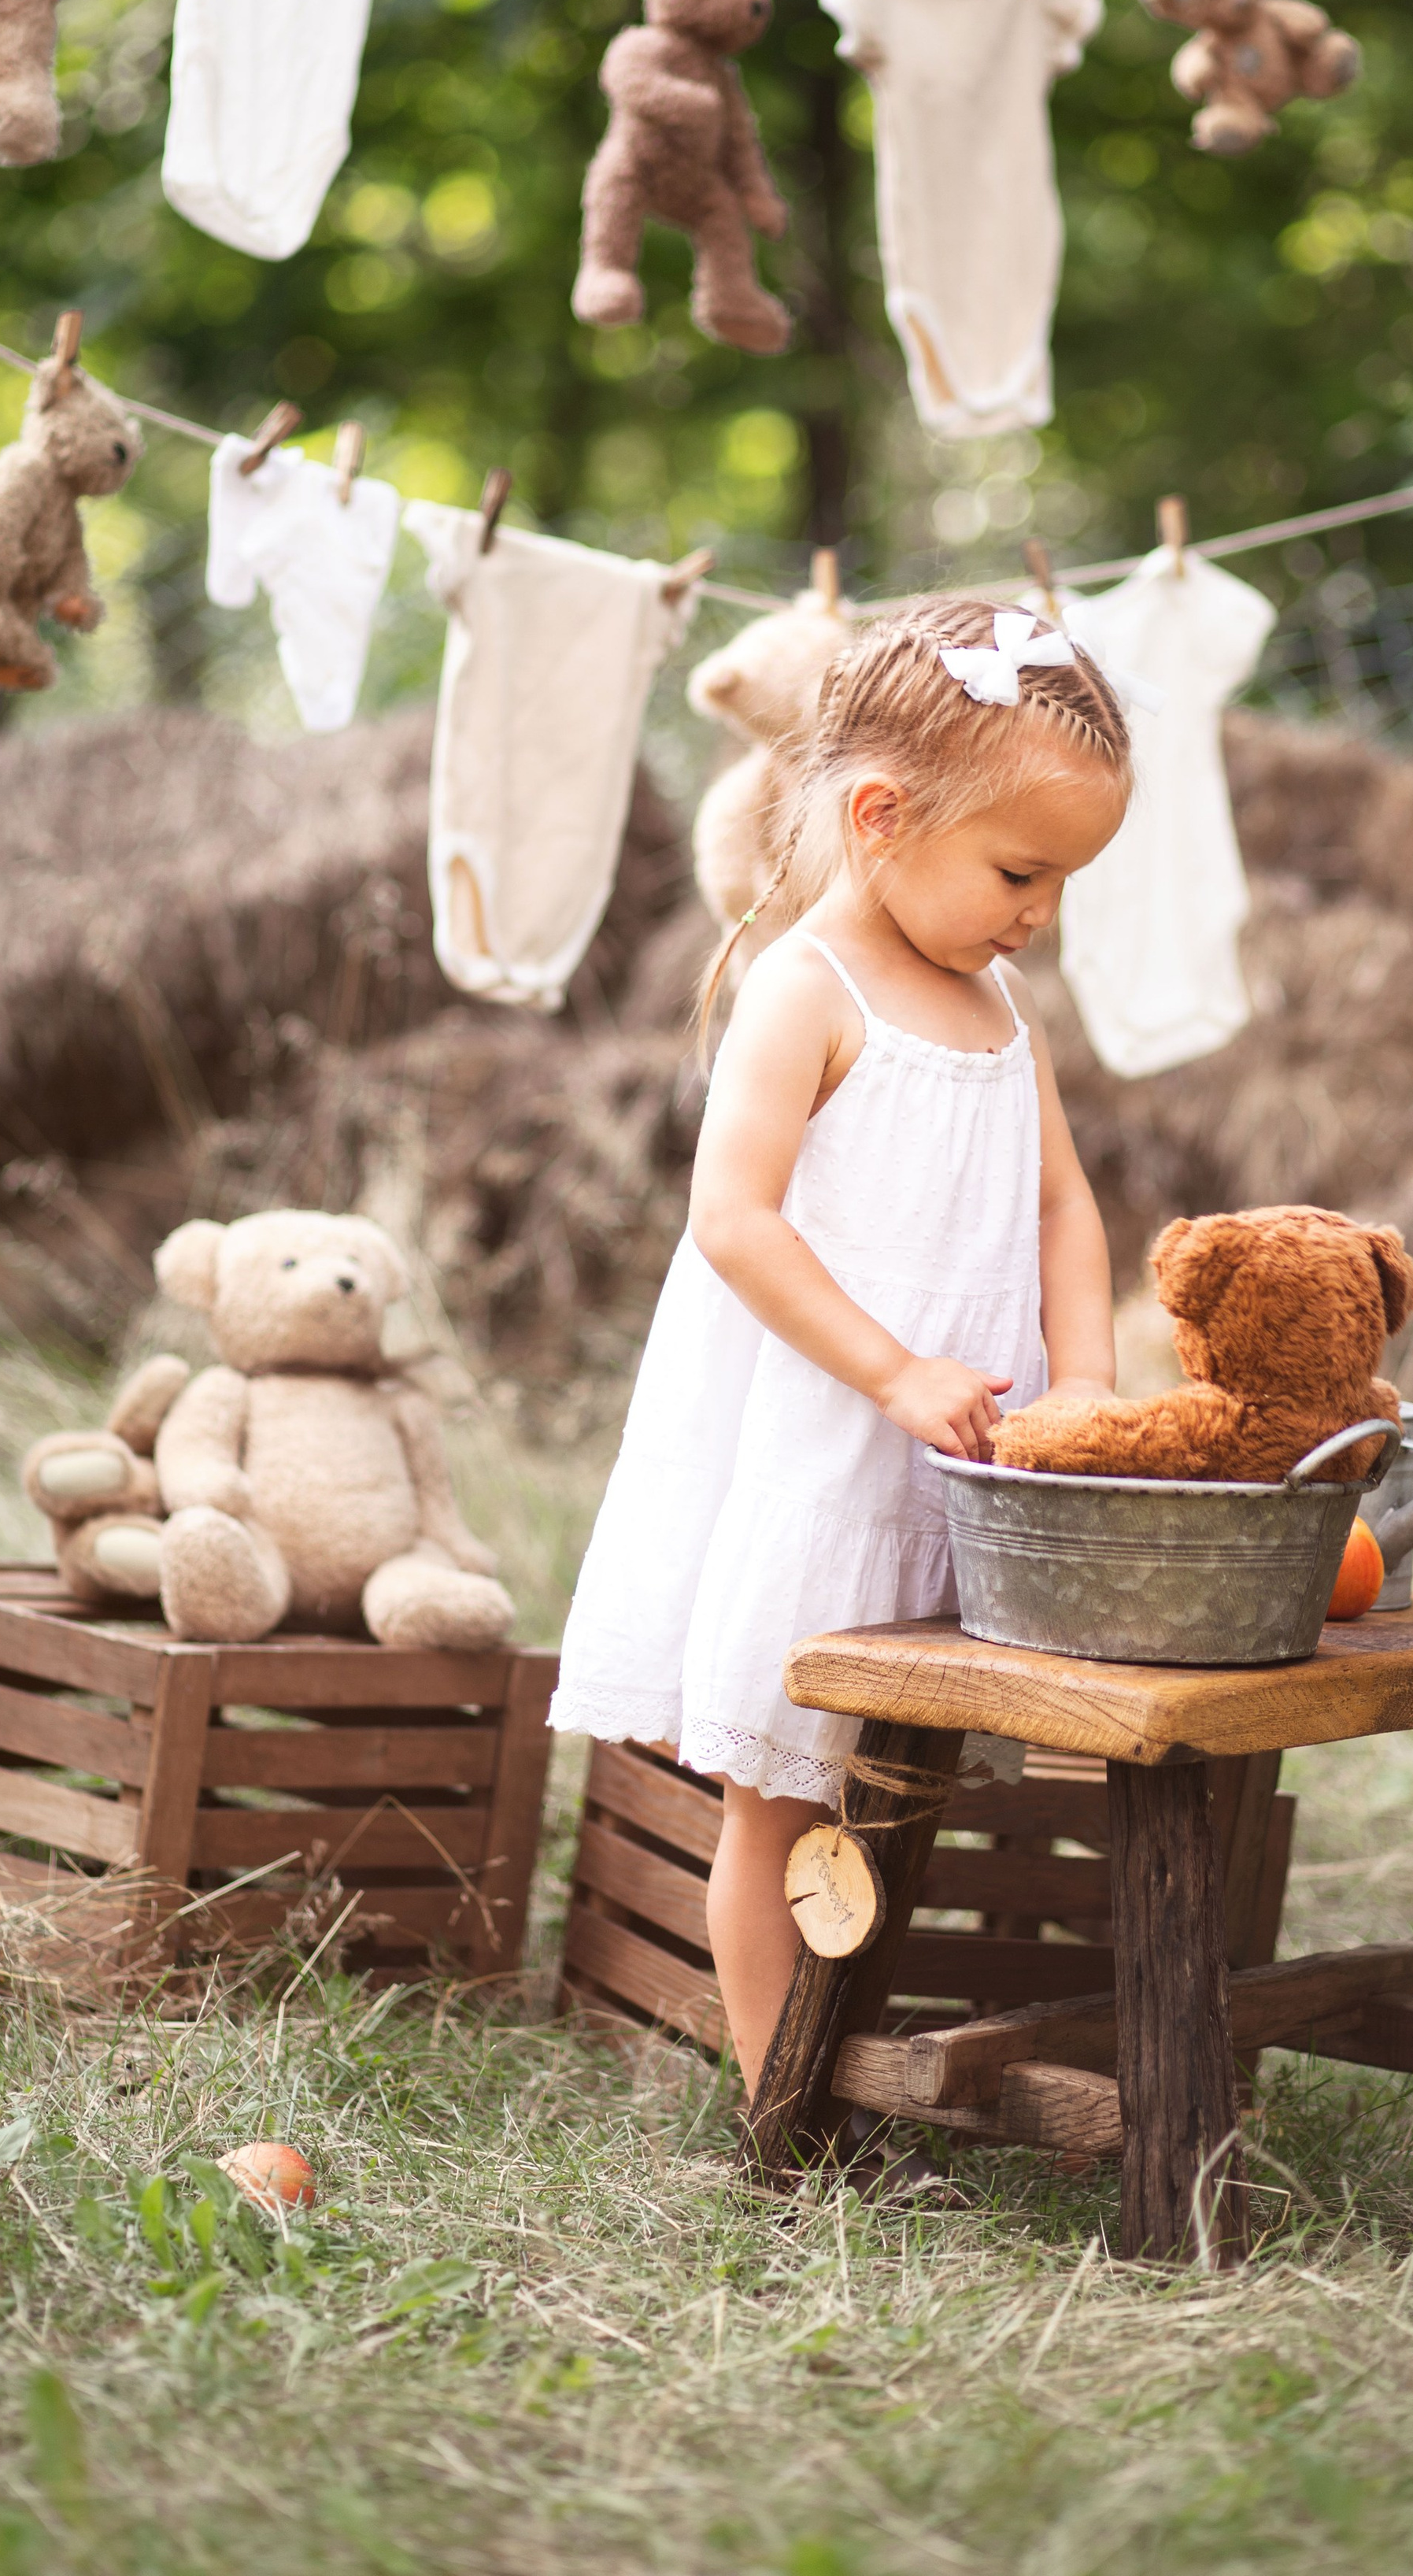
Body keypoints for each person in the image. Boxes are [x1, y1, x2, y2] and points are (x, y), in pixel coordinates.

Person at [549, 594, 1134, 2089]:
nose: (1041, 913)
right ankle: (783, 2104)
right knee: (783, 1809)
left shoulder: (1001, 1002)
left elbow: (1063, 1204)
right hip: (831, 1457)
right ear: (881, 816)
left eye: (1066, 881)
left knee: (898, 1789)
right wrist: (891, 1371)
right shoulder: (805, 990)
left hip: (967, 1468)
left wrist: (1085, 1385)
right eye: (1020, 871)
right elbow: (735, 1222)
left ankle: (877, 2048)